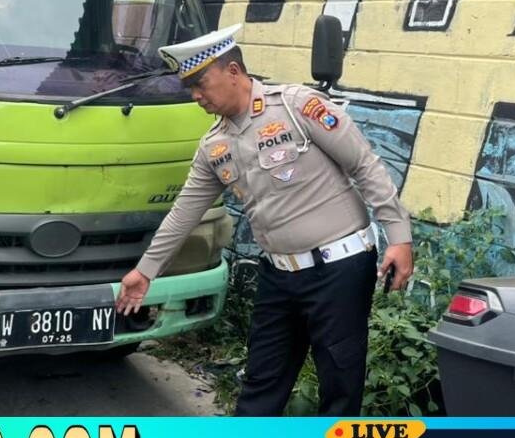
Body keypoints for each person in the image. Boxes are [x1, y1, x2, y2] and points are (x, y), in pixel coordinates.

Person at [116, 24, 414, 416]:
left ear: (234, 71)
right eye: (189, 87)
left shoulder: (297, 106)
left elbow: (364, 165)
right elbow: (184, 212)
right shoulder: (214, 146)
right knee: (260, 382)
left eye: (200, 83)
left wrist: (399, 237)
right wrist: (146, 271)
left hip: (339, 270)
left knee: (340, 384)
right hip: (278, 277)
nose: (195, 96)